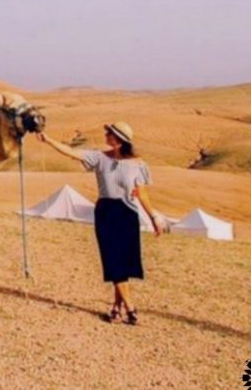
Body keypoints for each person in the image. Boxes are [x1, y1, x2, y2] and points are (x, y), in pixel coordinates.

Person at [36, 121, 162, 325]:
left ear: (118, 138)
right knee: (113, 261)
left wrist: (154, 217)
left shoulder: (137, 164)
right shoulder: (99, 157)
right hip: (106, 211)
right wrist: (49, 140)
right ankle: (131, 308)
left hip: (128, 213)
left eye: (109, 133)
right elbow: (70, 152)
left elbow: (142, 193)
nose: (106, 135)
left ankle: (115, 308)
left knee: (124, 263)